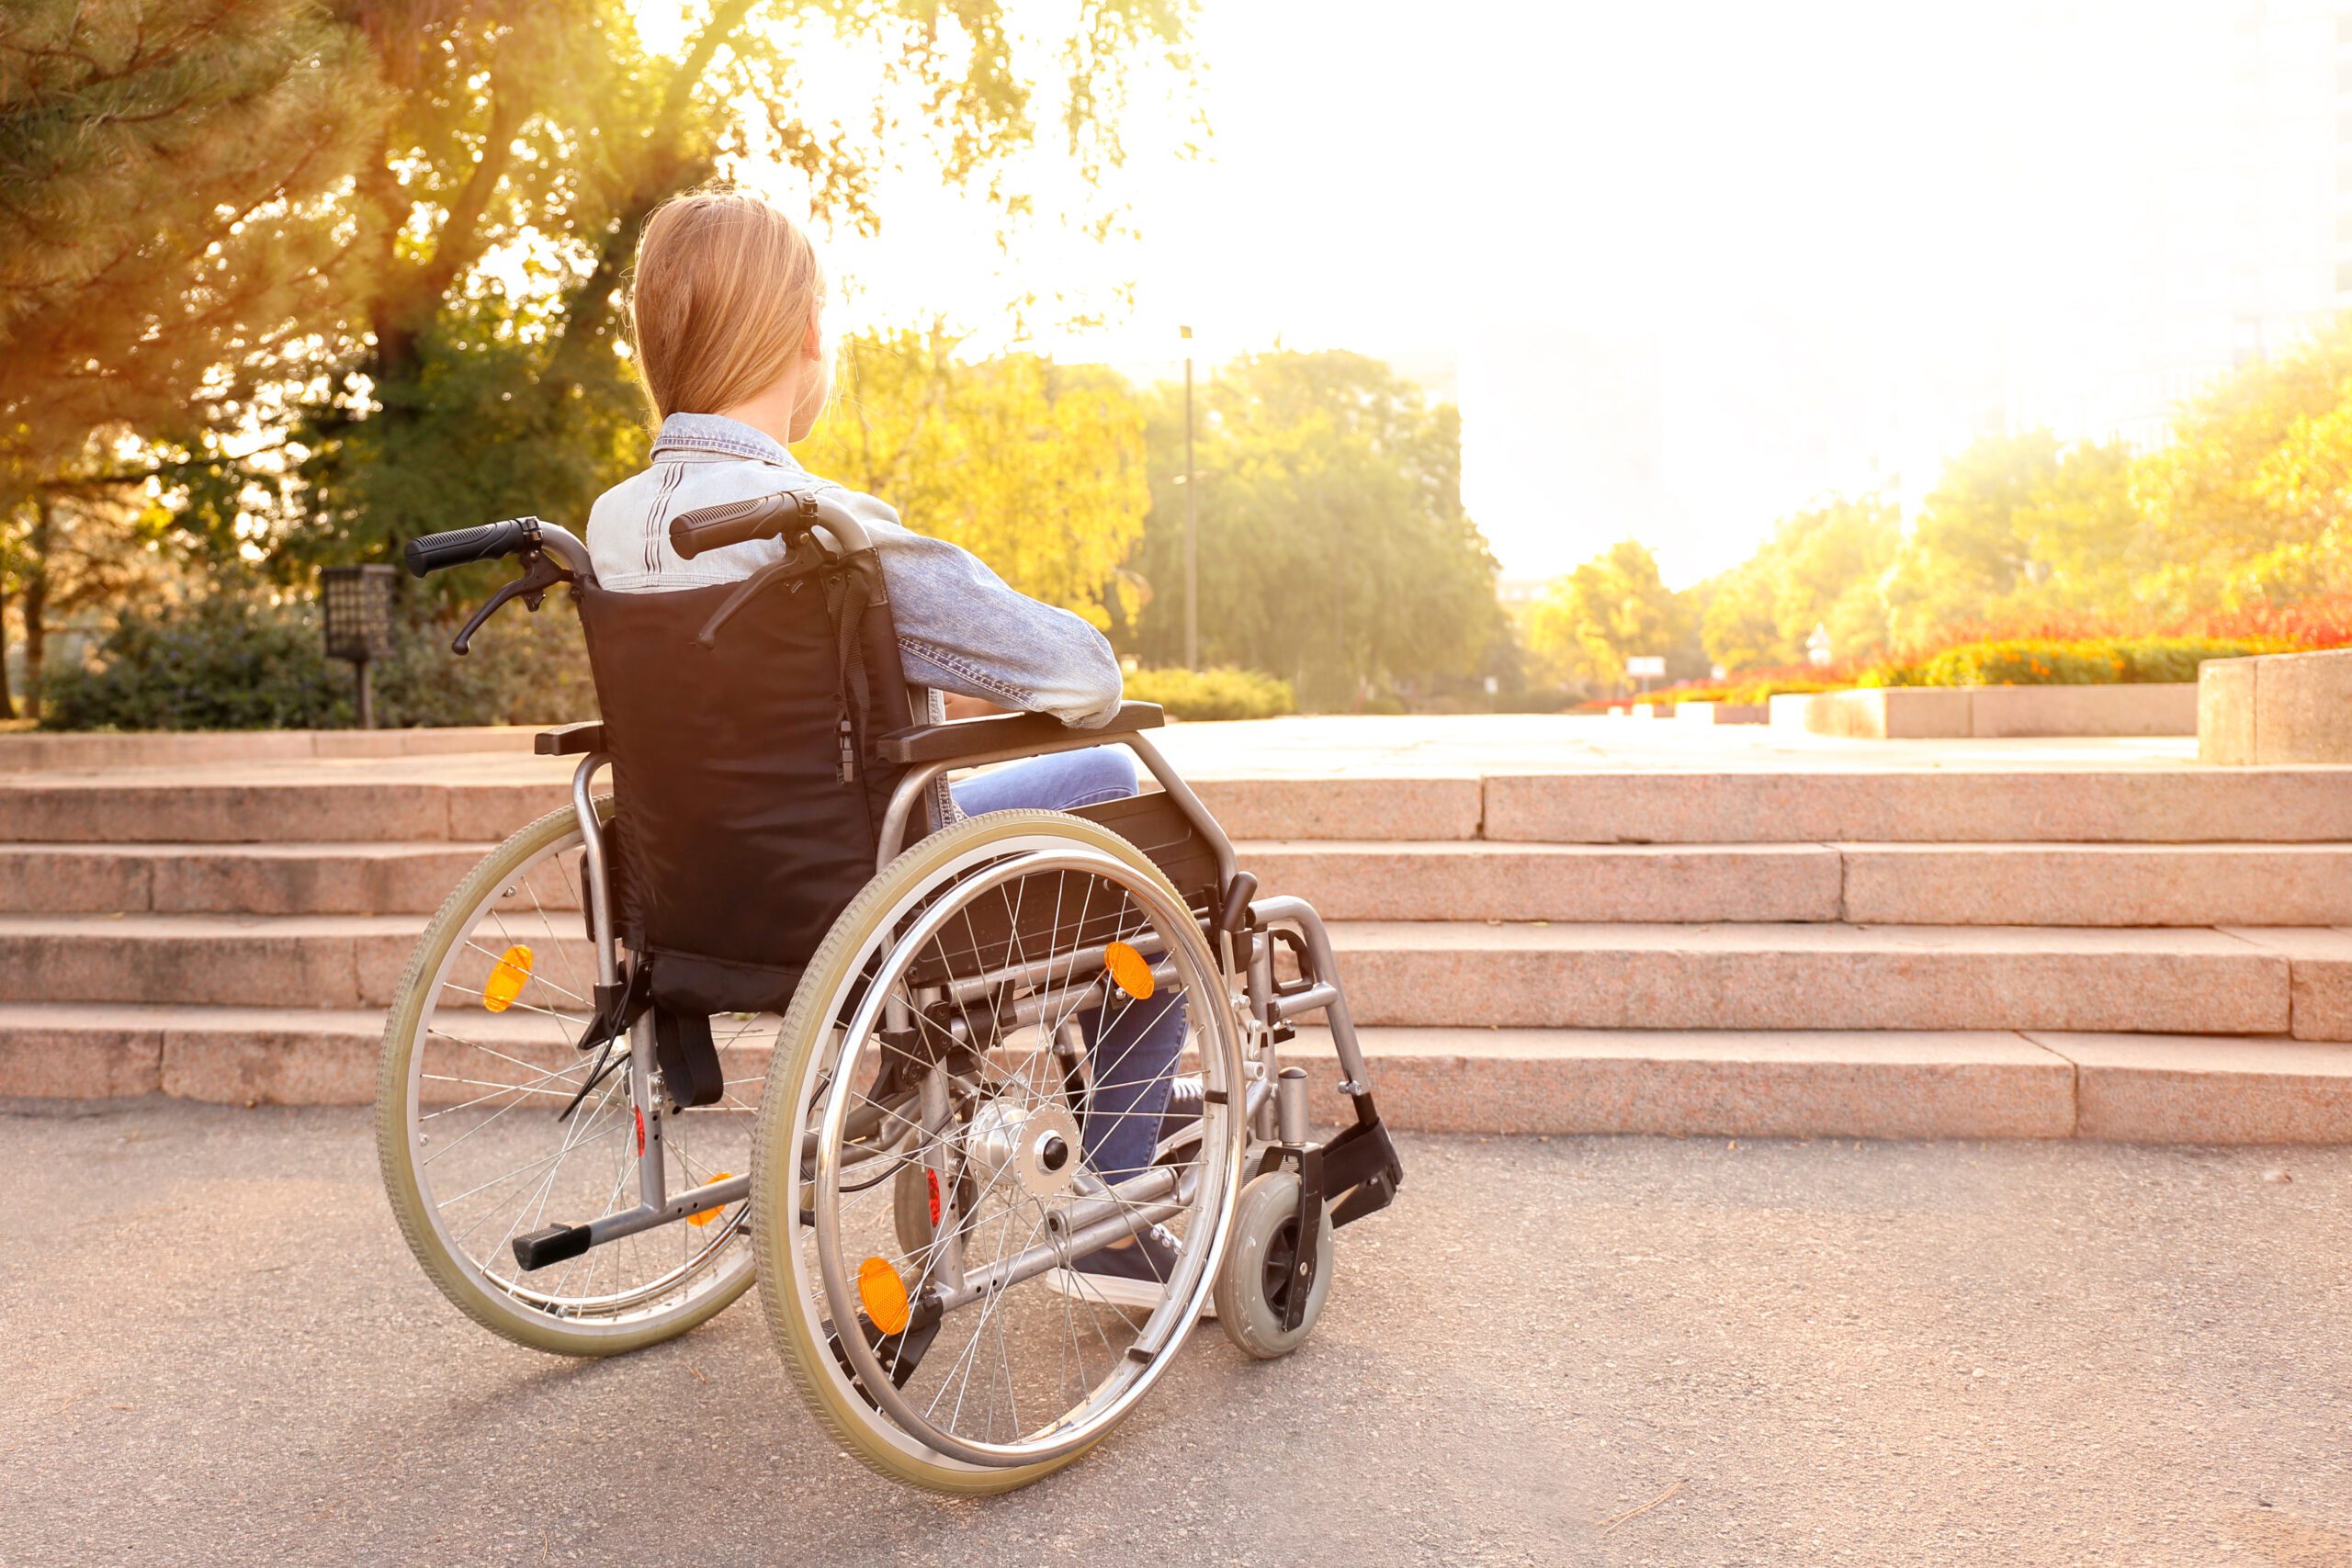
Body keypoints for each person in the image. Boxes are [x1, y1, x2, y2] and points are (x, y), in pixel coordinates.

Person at [583, 187, 1185, 1309]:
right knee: (1131, 807)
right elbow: (1081, 676)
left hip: (700, 898)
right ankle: (1111, 1195)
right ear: (808, 334)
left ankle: (939, 1079)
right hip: (877, 891)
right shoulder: (816, 526)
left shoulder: (611, 529)